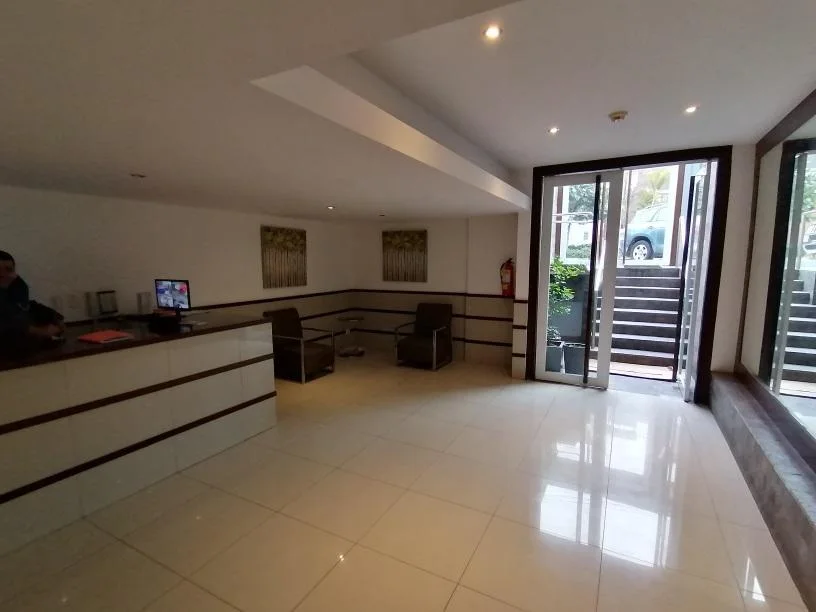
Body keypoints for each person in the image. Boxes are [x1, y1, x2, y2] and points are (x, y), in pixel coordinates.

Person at [0, 251, 64, 345]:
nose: (3, 274)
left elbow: (26, 307)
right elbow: (6, 321)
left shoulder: (17, 285)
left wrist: (56, 317)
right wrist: (40, 331)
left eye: (8, 270)